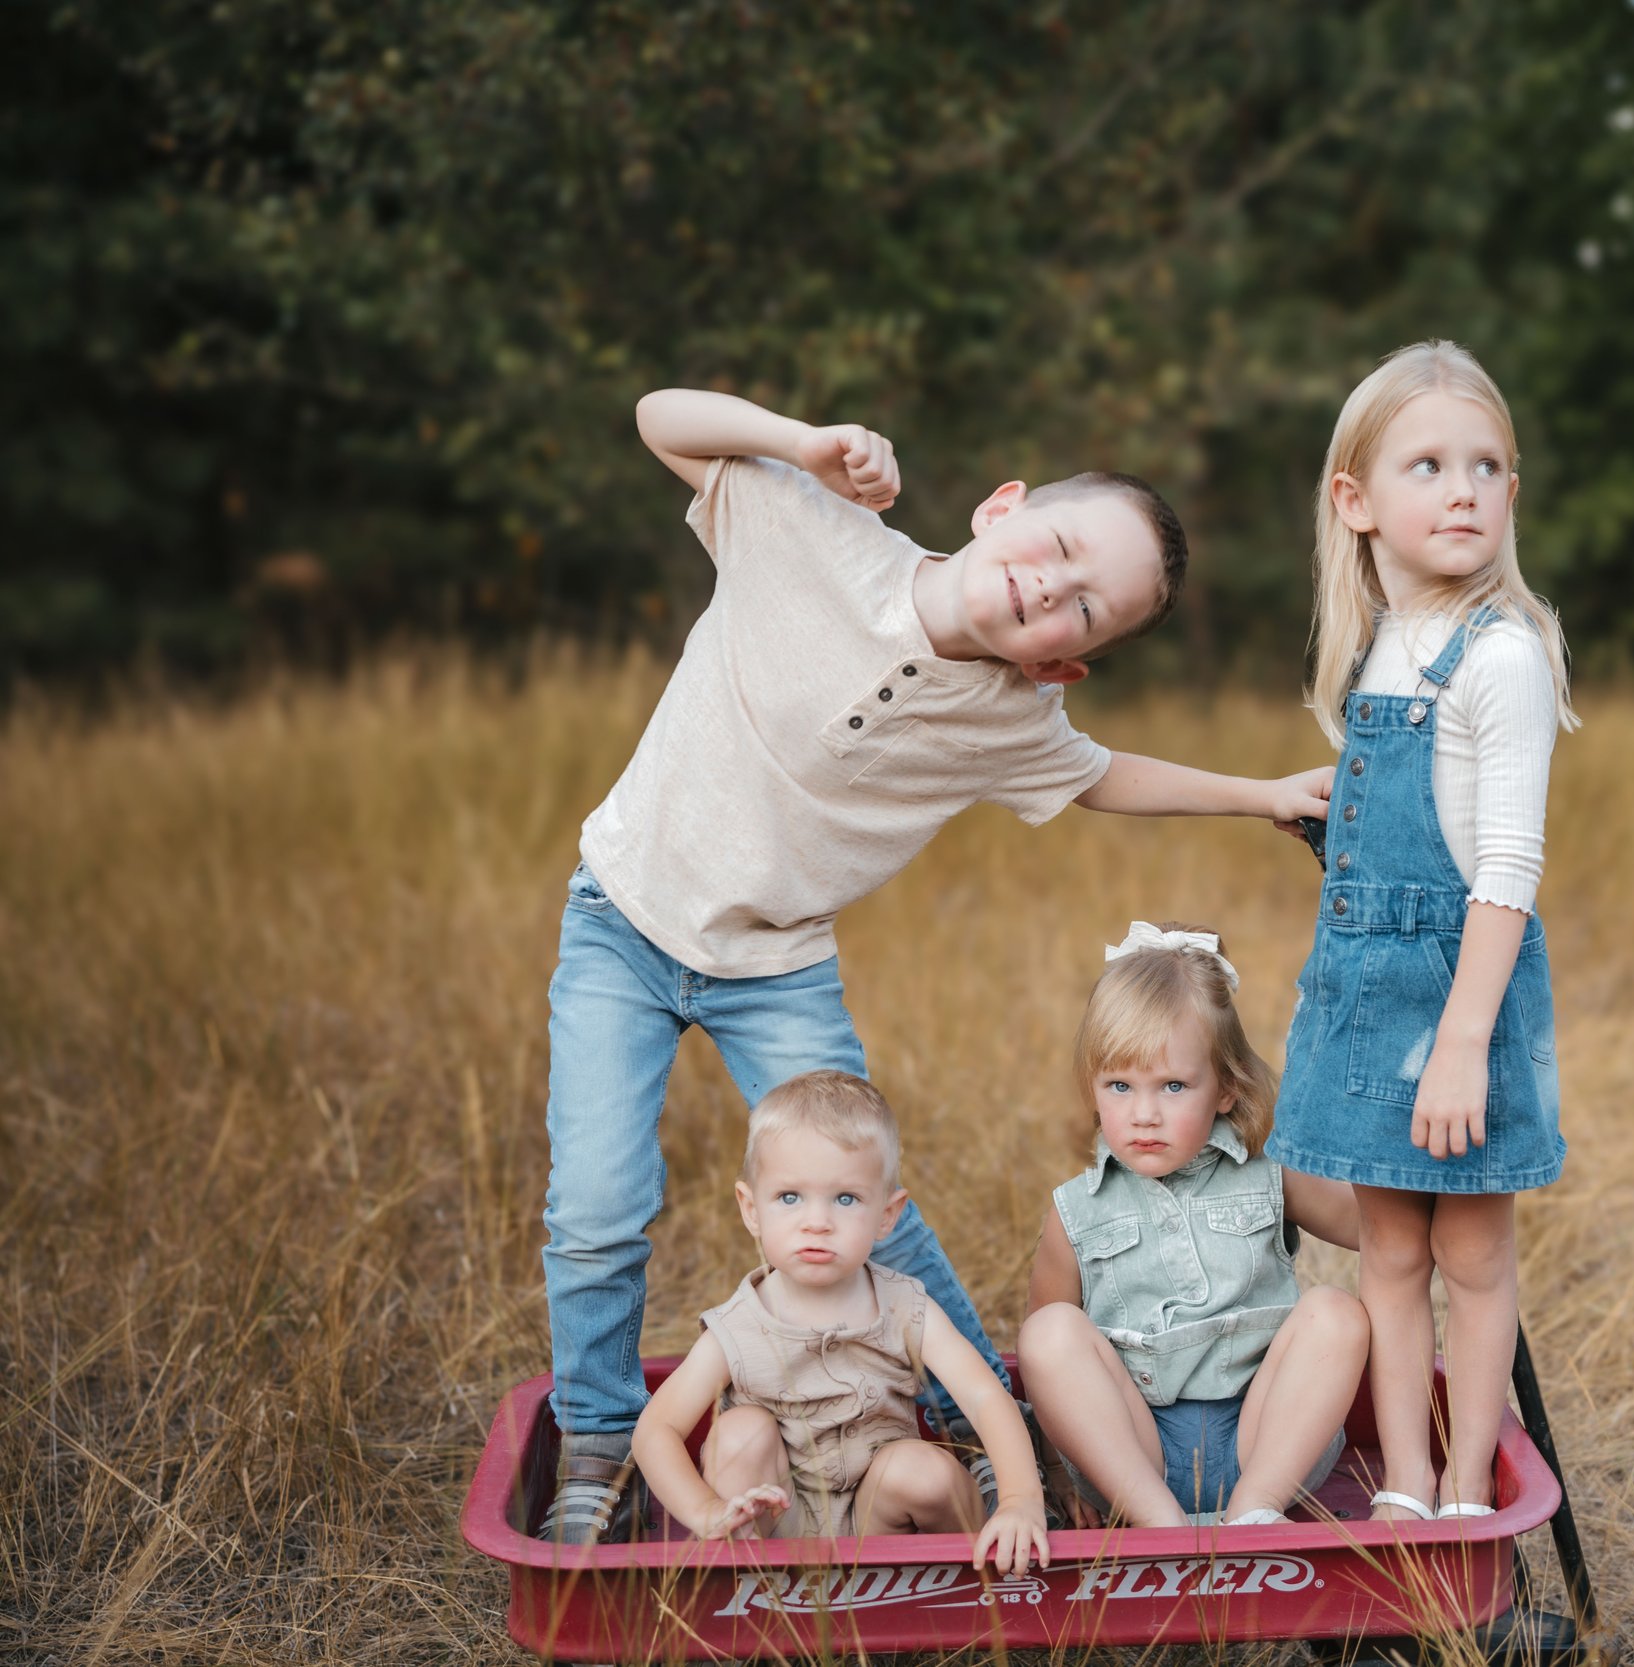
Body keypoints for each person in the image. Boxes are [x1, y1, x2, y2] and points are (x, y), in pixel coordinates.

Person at [540, 389, 1332, 1543]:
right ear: (1001, 507)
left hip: (777, 964)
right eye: (1057, 547)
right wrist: (801, 443)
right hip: (622, 919)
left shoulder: (1010, 716)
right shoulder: (814, 529)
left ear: (1067, 664)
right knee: (598, 1206)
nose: (1050, 588)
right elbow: (661, 417)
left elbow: (1102, 776)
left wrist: (1260, 793)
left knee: (870, 1199)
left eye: (1083, 607)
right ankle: (599, 1442)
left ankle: (987, 1432)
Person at [1266, 342, 1578, 1523]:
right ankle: (1402, 1475)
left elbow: (1505, 869)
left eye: (1487, 467)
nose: (1464, 491)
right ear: (1355, 501)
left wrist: (1461, 1042)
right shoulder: (1374, 649)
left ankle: (1461, 1483)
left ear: (1513, 494)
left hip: (1463, 1000)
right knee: (1388, 1253)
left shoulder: (1501, 656)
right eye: (1430, 466)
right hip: (1365, 990)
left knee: (1472, 1258)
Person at [1018, 922, 1369, 1528]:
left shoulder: (1270, 1173)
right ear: (1093, 1088)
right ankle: (1162, 1527)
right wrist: (1052, 1471)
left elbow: (1381, 1233)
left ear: (1227, 1087)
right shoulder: (1076, 1210)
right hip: (1134, 1458)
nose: (1144, 1114)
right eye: (1120, 1086)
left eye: (1173, 1086)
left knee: (1336, 1312)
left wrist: (1365, 1130)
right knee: (1048, 1332)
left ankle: (1254, 1512)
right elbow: (1048, 1371)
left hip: (1266, 1443)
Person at [631, 1071, 1048, 1575]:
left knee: (925, 1472)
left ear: (887, 1215)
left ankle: (961, 1586)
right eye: (790, 1197)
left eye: (845, 1198)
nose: (817, 1222)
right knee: (740, 1434)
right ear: (751, 1209)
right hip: (776, 1520)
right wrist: (705, 1510)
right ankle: (754, 1583)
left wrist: (1020, 1499)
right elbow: (656, 1430)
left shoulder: (904, 1306)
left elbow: (984, 1397)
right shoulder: (738, 1328)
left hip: (884, 1521)